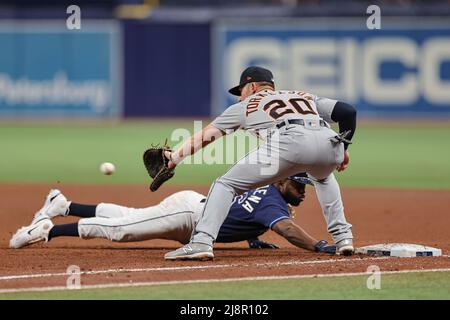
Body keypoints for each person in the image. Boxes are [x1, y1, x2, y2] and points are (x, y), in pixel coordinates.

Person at [163, 66, 357, 260]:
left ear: (253, 87)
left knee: (225, 185)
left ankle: (202, 241)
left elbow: (205, 137)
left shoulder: (245, 106)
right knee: (323, 178)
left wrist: (173, 159)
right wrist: (343, 148)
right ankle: (344, 239)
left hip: (289, 140)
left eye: (241, 91)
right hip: (329, 140)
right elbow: (348, 112)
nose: (240, 97)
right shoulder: (303, 96)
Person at [9, 174, 337, 255]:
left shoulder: (267, 190)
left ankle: (63, 205)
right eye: (298, 183)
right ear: (283, 182)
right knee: (122, 229)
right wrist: (320, 246)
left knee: (131, 215)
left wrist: (251, 235)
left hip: (195, 211)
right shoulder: (275, 204)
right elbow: (287, 231)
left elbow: (240, 206)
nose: (303, 189)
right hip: (189, 217)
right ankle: (46, 229)